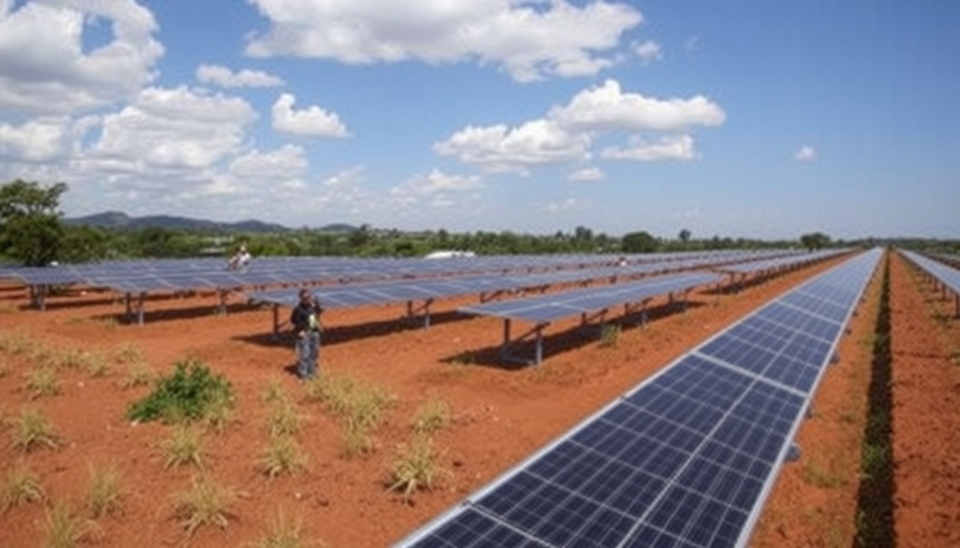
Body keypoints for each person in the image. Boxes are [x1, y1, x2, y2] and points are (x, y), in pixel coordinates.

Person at [290, 288, 323, 380]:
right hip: (304, 333)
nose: (308, 299)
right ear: (301, 298)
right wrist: (300, 330)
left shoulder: (312, 306)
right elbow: (293, 320)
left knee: (314, 353)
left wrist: (316, 304)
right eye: (305, 298)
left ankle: (312, 373)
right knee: (305, 354)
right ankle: (303, 375)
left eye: (309, 297)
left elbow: (319, 311)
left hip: (314, 331)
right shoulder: (298, 309)